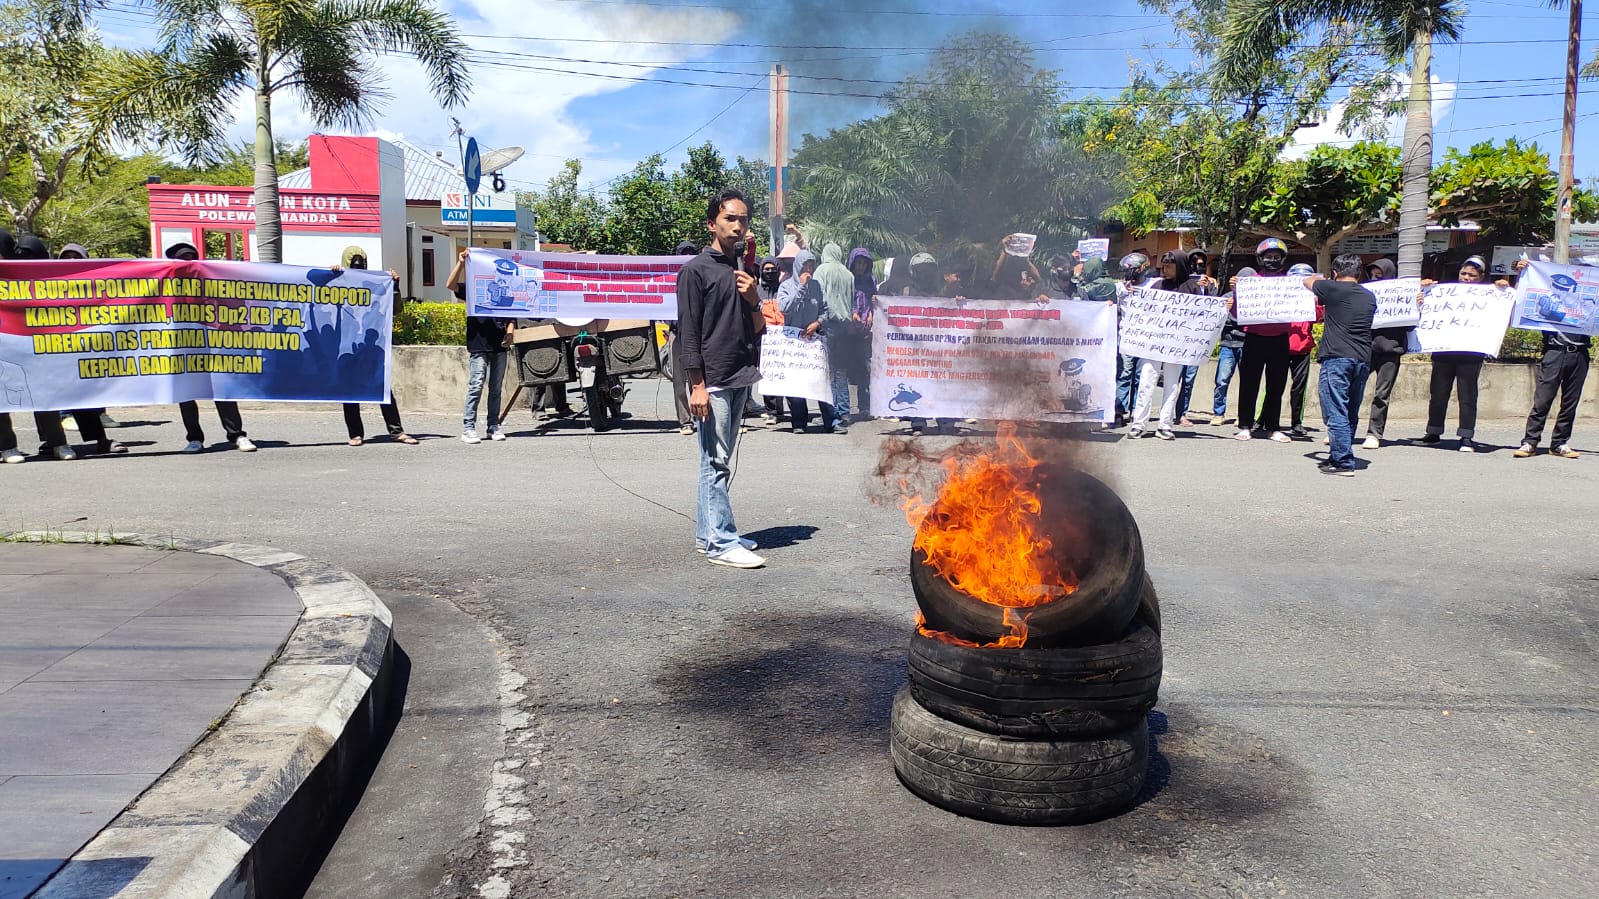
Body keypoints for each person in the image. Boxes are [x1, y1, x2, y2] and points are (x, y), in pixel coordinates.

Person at [678, 187, 766, 568]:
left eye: (743, 220)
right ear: (712, 223)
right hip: (712, 381)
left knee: (714, 460)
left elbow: (760, 327)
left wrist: (754, 298)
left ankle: (708, 533)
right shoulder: (695, 270)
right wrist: (697, 385)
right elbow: (689, 332)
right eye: (730, 218)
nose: (737, 226)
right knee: (716, 462)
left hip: (739, 374)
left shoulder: (745, 271)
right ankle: (721, 543)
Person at [164, 242, 256, 453]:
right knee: (186, 393)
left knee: (223, 390)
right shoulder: (165, 285)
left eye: (191, 257)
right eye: (182, 259)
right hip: (183, 345)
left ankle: (237, 435)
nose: (188, 262)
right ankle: (194, 438)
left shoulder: (212, 279)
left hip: (212, 344)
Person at [334, 249, 417, 446]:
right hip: (348, 346)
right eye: (353, 265)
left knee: (383, 389)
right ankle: (355, 433)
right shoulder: (337, 284)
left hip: (373, 348)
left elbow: (395, 309)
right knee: (350, 391)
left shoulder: (374, 286)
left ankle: (396, 431)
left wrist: (394, 285)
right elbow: (320, 296)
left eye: (360, 265)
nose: (357, 268)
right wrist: (332, 275)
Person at [1303, 254, 1376, 476]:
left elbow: (1307, 281)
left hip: (1337, 358)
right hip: (1362, 359)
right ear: (1359, 272)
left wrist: (1321, 277)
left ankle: (1344, 462)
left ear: (1336, 274)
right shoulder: (1369, 296)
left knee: (1335, 410)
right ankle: (1337, 455)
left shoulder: (1333, 289)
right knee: (1349, 411)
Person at [1416, 256, 1494, 453]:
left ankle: (1466, 436)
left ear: (1481, 277)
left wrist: (1501, 286)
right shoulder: (1443, 292)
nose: (1466, 277)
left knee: (1467, 395)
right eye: (1463, 273)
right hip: (1444, 350)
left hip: (1471, 352)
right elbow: (1423, 307)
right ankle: (1433, 432)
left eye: (1472, 275)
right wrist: (1422, 289)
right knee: (1438, 393)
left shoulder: (1489, 295)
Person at [1514, 257, 1589, 460]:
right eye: (1558, 287)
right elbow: (1523, 297)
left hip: (1580, 353)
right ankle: (1530, 441)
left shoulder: (1585, 305)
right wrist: (1521, 270)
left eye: (1566, 289)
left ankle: (1560, 442)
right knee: (1543, 399)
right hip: (1555, 351)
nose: (1561, 292)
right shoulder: (1545, 301)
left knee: (1570, 403)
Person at [1127, 251, 1207, 440]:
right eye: (1163, 266)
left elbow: (1204, 313)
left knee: (1172, 385)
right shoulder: (1157, 285)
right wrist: (1135, 295)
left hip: (1177, 345)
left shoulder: (1192, 287)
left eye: (1169, 266)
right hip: (1154, 344)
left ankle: (1165, 425)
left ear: (1180, 266)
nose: (1165, 269)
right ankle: (1139, 424)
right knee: (1146, 381)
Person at [445, 247, 515, 443]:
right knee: (476, 385)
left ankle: (493, 425)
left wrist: (510, 333)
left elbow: (511, 318)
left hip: (499, 345)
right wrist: (460, 263)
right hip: (478, 345)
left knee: (496, 388)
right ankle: (468, 428)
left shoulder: (506, 291)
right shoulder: (474, 289)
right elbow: (450, 285)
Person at [1233, 239, 1294, 443]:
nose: (1272, 261)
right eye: (1268, 257)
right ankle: (1245, 425)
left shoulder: (1290, 283)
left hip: (1280, 340)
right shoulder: (1249, 283)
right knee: (1249, 384)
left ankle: (1273, 427)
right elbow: (1236, 312)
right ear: (1260, 258)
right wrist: (1236, 292)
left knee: (1277, 386)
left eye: (1277, 257)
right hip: (1254, 339)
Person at [774, 249, 837, 433]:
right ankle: (799, 422)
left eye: (811, 265)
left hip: (814, 340)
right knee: (796, 384)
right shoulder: (786, 286)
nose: (809, 269)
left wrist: (818, 323)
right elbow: (785, 308)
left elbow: (826, 310)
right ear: (797, 267)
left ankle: (830, 421)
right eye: (805, 265)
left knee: (821, 381)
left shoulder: (817, 286)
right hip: (794, 342)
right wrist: (801, 287)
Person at [1362, 257, 1408, 449]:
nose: (1376, 280)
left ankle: (1374, 433)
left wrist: (1416, 304)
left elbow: (1411, 325)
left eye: (1380, 276)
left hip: (1391, 351)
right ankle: (1343, 429)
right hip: (1366, 349)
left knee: (1381, 394)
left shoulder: (1402, 295)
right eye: (1373, 276)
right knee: (1352, 390)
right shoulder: (1364, 293)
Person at [814, 242, 856, 433]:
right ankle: (845, 411)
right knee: (841, 370)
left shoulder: (821, 271)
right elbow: (852, 299)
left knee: (828, 371)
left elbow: (817, 296)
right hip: (845, 325)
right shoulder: (849, 274)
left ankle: (833, 412)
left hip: (827, 324)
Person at [662, 240, 699, 435]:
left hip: (697, 332)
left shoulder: (700, 273)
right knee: (679, 379)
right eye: (683, 253)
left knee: (699, 376)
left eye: (690, 253)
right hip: (677, 333)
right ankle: (685, 421)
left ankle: (700, 416)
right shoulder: (668, 276)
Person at [1114, 252, 1152, 427]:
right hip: (1126, 336)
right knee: (1124, 374)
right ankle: (1119, 410)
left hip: (1145, 337)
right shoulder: (1120, 288)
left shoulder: (1152, 286)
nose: (1129, 275)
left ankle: (1137, 410)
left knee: (1141, 376)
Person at [1209, 267, 1252, 425]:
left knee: (1247, 382)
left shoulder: (1255, 300)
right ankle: (1218, 413)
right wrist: (1227, 309)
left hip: (1246, 344)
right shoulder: (1226, 298)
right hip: (1228, 344)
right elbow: (1218, 320)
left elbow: (1252, 322)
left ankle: (1244, 415)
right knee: (1222, 380)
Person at [1284, 262, 1319, 440]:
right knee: (1273, 387)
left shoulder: (1312, 299)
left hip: (1303, 348)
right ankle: (1263, 418)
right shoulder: (1282, 296)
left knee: (1299, 388)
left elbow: (1320, 317)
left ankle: (1296, 422)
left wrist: (1316, 300)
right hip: (1281, 346)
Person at [757, 256, 785, 426]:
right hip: (764, 338)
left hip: (783, 337)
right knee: (767, 374)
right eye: (766, 269)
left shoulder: (784, 289)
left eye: (772, 269)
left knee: (782, 374)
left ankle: (780, 410)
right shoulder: (758, 291)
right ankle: (771, 411)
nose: (769, 272)